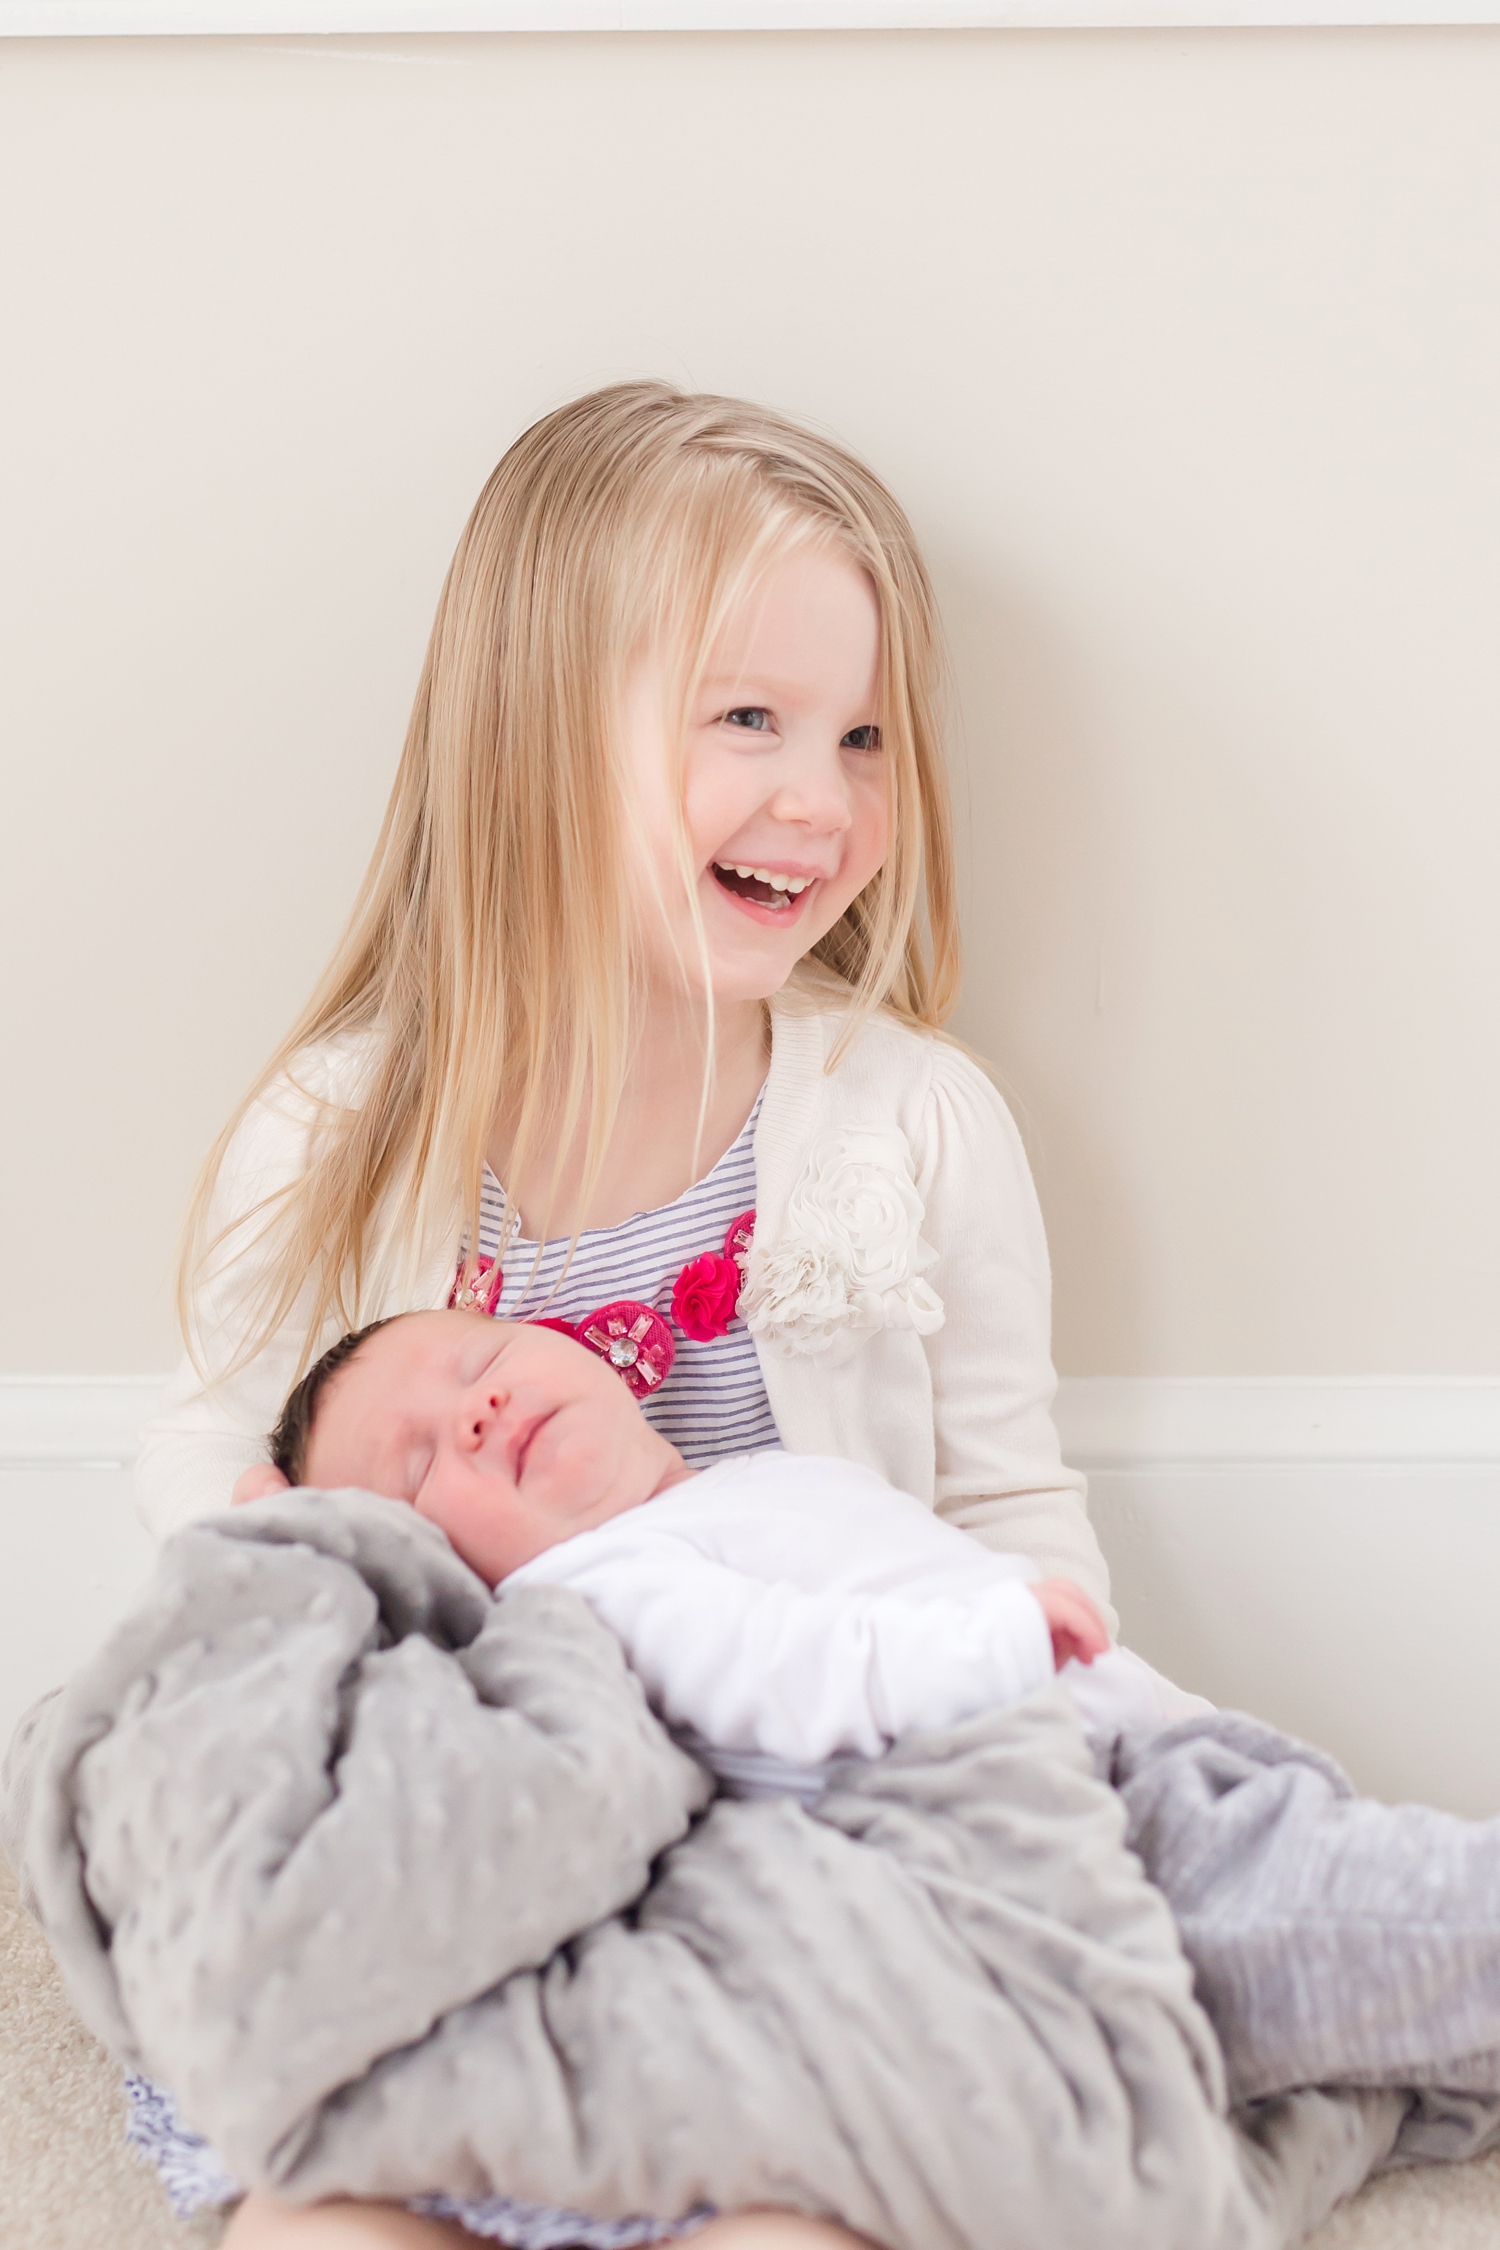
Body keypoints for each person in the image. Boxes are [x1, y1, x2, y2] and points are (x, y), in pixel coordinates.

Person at [135, 381, 1156, 2248]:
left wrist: (1100, 1755)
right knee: (331, 2207)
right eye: (747, 720)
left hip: (805, 1860)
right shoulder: (334, 1143)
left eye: (863, 734)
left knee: (806, 2206)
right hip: (470, 1863)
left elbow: (1007, 1512)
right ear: (533, 740)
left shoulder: (912, 1120)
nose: (822, 798)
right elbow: (217, 1475)